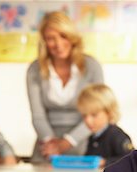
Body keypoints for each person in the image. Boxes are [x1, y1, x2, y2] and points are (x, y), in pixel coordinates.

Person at [26, 11, 104, 163]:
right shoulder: (34, 70)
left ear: (72, 37)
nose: (58, 44)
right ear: (44, 42)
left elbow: (98, 112)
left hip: (84, 144)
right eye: (50, 38)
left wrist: (67, 143)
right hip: (46, 146)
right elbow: (38, 115)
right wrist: (51, 143)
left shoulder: (92, 66)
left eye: (63, 36)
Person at [77, 83, 134, 167]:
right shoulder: (93, 136)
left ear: (109, 113)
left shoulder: (116, 135)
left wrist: (105, 162)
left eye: (94, 115)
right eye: (84, 115)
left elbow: (130, 159)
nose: (88, 121)